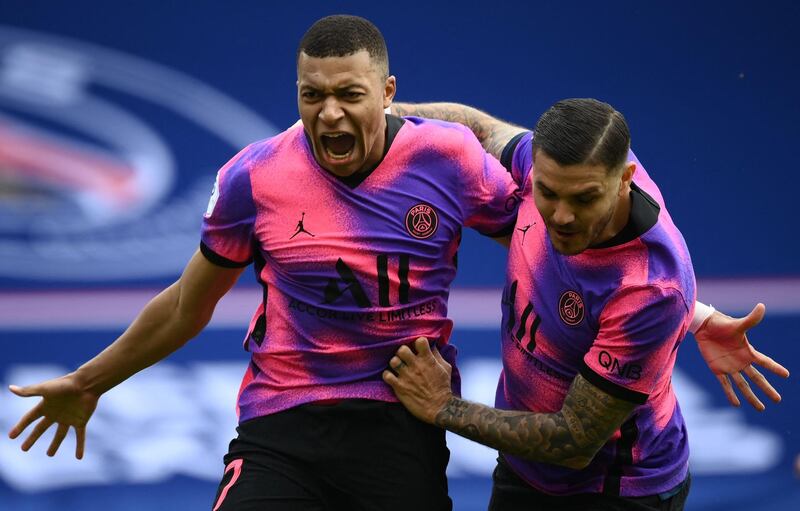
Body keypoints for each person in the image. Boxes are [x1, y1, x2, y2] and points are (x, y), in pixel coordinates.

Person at [5, 15, 780, 511]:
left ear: (389, 93)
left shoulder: (468, 177)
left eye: (352, 95)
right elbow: (187, 303)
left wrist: (688, 308)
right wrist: (90, 378)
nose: (329, 114)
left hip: (427, 425)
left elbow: (601, 287)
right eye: (314, 95)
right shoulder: (257, 176)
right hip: (285, 416)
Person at [384, 98, 790, 510]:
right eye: (548, 192)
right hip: (524, 468)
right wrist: (378, 112)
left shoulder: (649, 287)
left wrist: (443, 407)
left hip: (615, 489)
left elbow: (574, 440)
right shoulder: (554, 166)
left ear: (625, 180)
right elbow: (481, 130)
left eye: (584, 199)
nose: (560, 216)